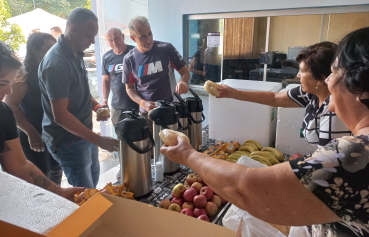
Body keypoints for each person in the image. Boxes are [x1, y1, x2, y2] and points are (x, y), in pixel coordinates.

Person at [161, 27, 369, 236]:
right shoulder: (315, 100)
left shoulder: (354, 155)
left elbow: (247, 189)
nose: (330, 82)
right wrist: (231, 93)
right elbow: (275, 98)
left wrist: (187, 155)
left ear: (360, 87)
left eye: (335, 73)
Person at [38, 7, 119, 189]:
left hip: (84, 134)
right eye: (89, 36)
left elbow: (80, 89)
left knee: (93, 182)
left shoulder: (76, 53)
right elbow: (60, 116)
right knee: (84, 193)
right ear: (73, 29)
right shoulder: (56, 64)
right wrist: (99, 140)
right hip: (67, 141)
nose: (92, 42)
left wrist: (97, 106)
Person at [217, 42, 350, 148]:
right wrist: (232, 93)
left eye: (302, 71)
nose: (298, 76)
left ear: (320, 79)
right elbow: (275, 98)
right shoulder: (312, 94)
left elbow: (328, 163)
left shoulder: (334, 109)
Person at [0, 40, 83, 200]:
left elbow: (19, 164)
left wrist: (59, 192)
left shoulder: (4, 113)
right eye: (3, 83)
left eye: (11, 83)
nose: (9, 90)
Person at [4, 33, 63, 185]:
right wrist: (31, 132)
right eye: (49, 48)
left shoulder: (53, 70)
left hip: (53, 134)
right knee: (42, 174)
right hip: (34, 134)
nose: (54, 51)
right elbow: (10, 104)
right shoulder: (24, 76)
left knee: (56, 172)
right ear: (35, 50)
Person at [123, 16, 191, 133]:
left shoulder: (166, 48)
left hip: (172, 109)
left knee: (176, 148)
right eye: (143, 36)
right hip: (147, 113)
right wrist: (143, 103)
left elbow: (185, 72)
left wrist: (183, 81)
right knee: (150, 149)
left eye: (150, 34)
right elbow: (129, 89)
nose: (148, 39)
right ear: (133, 39)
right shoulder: (129, 59)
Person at [102, 27, 138, 181]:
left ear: (123, 37)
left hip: (136, 105)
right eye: (110, 40)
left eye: (117, 38)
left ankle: (141, 166)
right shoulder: (107, 57)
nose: (114, 42)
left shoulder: (135, 52)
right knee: (121, 140)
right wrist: (104, 100)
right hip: (117, 107)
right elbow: (106, 80)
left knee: (139, 137)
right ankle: (124, 167)